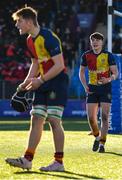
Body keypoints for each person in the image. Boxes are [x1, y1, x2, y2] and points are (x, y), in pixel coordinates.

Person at [5, 6, 69, 171]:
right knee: (36, 119)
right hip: (42, 81)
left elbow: (59, 65)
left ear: (28, 21)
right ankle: (27, 160)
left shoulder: (48, 37)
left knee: (54, 121)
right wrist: (24, 85)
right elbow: (35, 63)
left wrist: (40, 80)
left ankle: (58, 162)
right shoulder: (29, 40)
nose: (17, 25)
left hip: (57, 81)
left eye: (19, 21)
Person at [79, 32, 118, 153]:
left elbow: (116, 73)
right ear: (91, 43)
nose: (95, 42)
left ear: (102, 42)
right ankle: (97, 137)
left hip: (105, 88)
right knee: (91, 118)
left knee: (105, 117)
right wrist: (85, 86)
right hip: (92, 89)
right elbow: (81, 72)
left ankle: (102, 144)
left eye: (97, 40)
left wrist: (109, 79)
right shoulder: (86, 55)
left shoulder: (108, 55)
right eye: (93, 40)